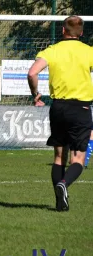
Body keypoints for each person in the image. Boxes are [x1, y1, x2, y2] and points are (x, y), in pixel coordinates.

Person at [27, 15, 93, 212]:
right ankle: (64, 184)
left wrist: (35, 94)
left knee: (58, 157)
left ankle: (59, 203)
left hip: (58, 108)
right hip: (81, 108)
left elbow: (32, 73)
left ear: (63, 31)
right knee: (78, 158)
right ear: (81, 33)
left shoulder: (53, 50)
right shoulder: (89, 51)